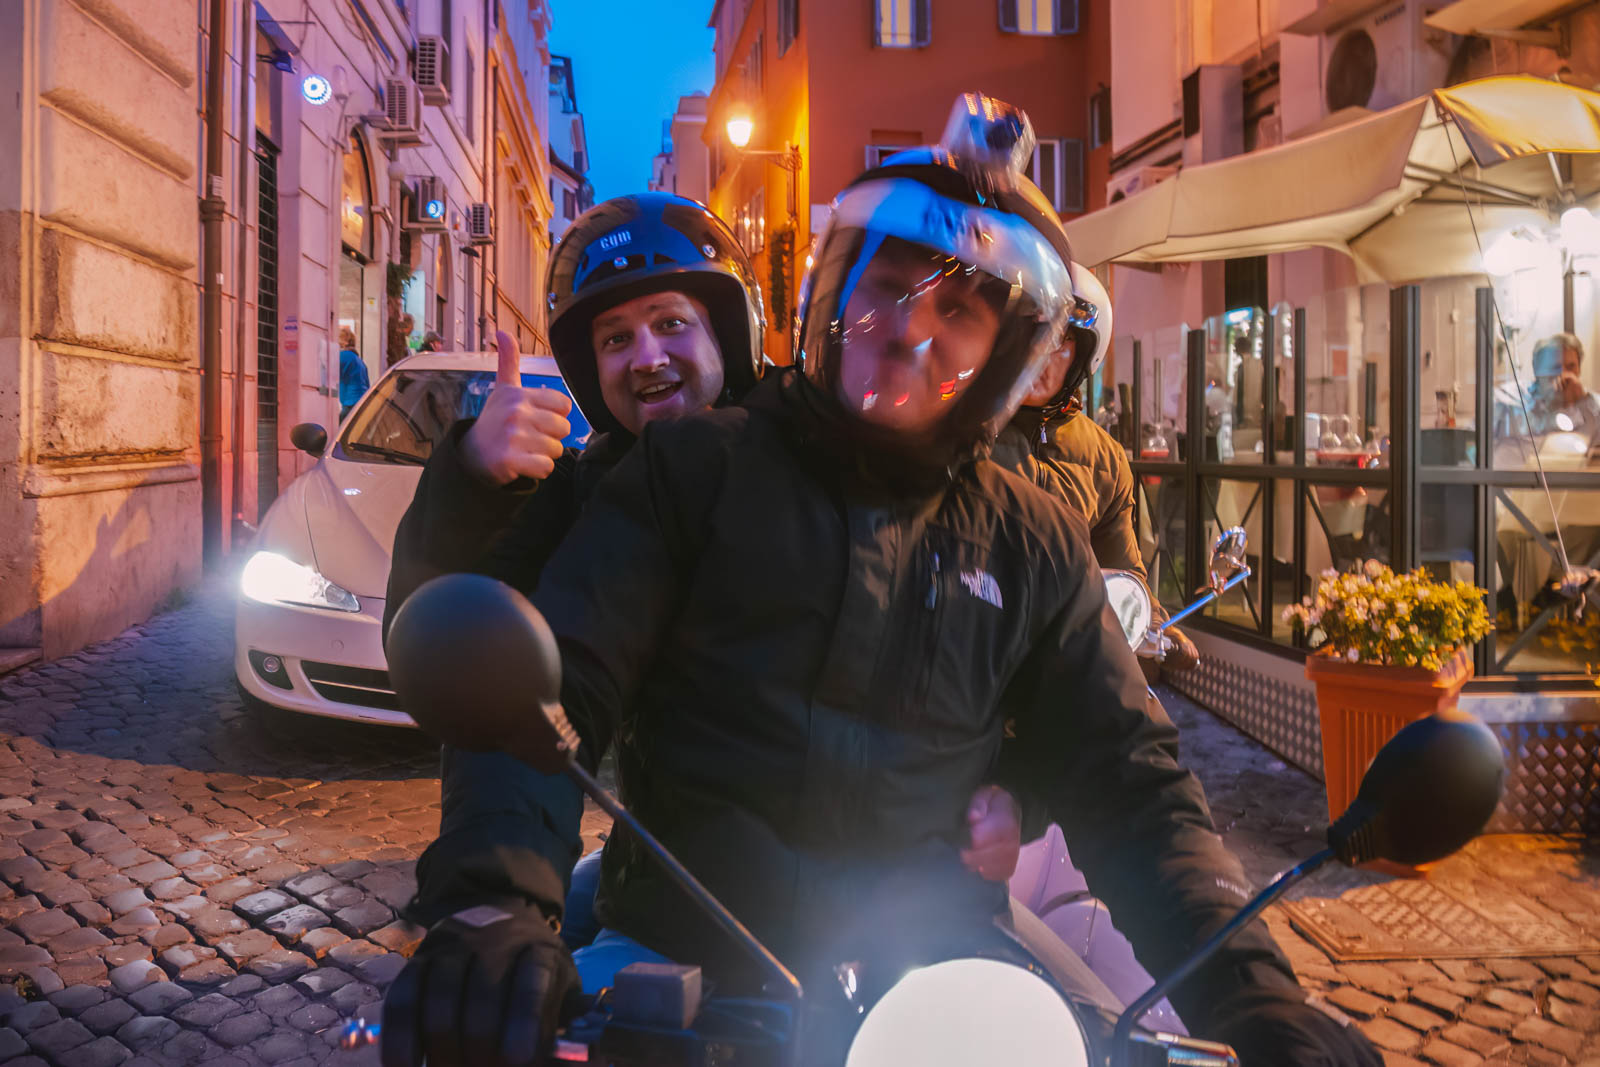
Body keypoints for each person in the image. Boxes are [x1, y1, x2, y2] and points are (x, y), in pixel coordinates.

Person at [380, 97, 1378, 1067]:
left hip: (941, 969)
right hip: (685, 949)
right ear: (835, 292)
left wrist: (1249, 991)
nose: (909, 328)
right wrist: (495, 904)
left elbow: (1130, 778)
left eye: (959, 310)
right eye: (886, 286)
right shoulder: (693, 472)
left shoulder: (1033, 536)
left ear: (1006, 356)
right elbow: (553, 682)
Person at [381, 191, 1026, 1043]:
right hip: (673, 892)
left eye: (671, 323)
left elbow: (981, 653)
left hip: (882, 930)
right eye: (616, 339)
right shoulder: (588, 491)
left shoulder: (824, 457)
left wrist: (1012, 779)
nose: (646, 355)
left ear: (731, 329)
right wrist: (471, 477)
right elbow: (476, 657)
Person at [991, 264, 1199, 671]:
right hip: (979, 638)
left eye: (1059, 343)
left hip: (1068, 652)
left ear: (1084, 354)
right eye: (1030, 336)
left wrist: (1156, 625)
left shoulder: (1105, 456)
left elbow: (1123, 564)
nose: (1041, 356)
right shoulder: (973, 428)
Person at [337, 326, 369, 421]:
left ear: (343, 341)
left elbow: (330, 375)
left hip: (351, 403)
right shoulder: (358, 360)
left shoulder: (343, 356)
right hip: (361, 402)